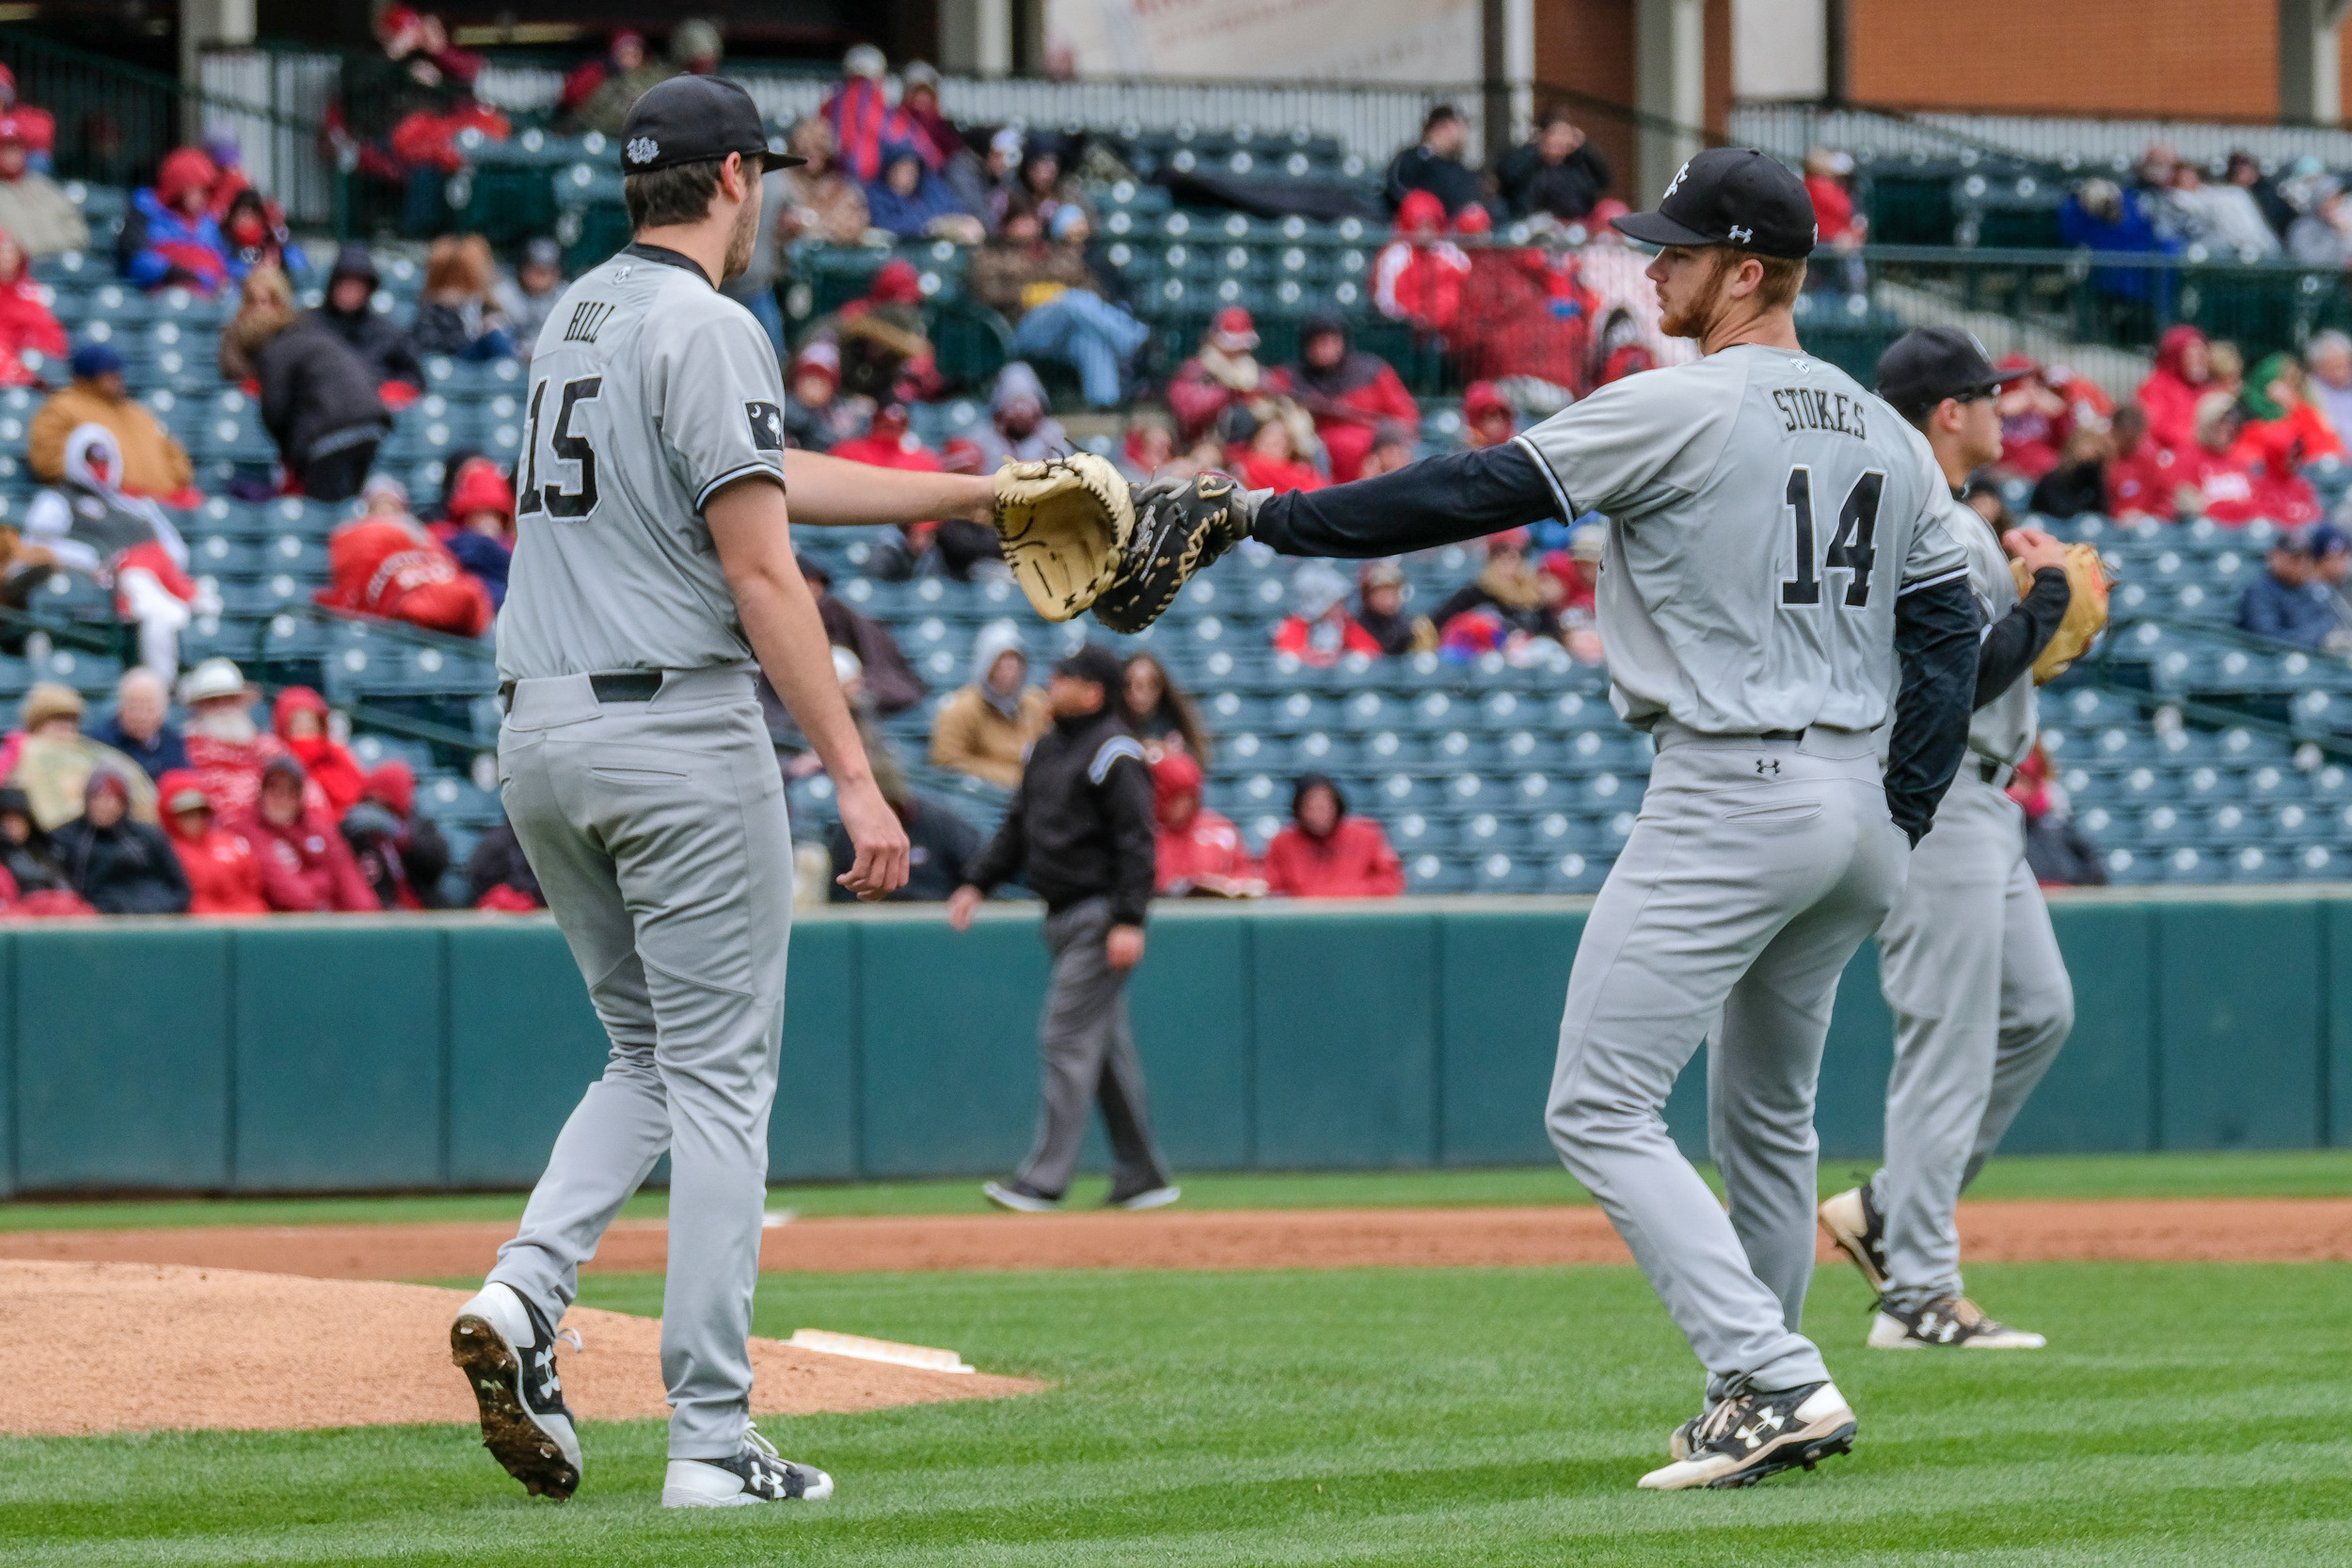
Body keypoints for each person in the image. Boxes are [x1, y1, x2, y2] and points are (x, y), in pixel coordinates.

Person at [1212, 147, 1983, 1489]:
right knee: (1772, 1126)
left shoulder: (1684, 400)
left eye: (1682, 251)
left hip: (1733, 785)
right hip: (1855, 802)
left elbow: (1471, 490)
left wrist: (1263, 513)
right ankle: (1762, 1379)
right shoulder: (1883, 425)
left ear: (1750, 270)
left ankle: (1770, 1372)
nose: (1655, 266)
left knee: (1598, 1104)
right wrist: (1901, 810)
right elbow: (1949, 633)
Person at [453, 74, 919, 1513]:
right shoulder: (712, 323)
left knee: (646, 1055)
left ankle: (524, 1294)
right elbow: (759, 561)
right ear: (732, 178)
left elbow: (763, 475)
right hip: (675, 727)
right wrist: (858, 778)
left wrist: (971, 490)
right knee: (723, 1083)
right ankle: (712, 1439)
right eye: (759, 173)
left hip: (541, 730)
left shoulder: (575, 316)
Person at [1810, 327, 2077, 1357]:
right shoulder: (1927, 513)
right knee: (1948, 1046)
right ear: (1948, 411)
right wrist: (2047, 597)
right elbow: (1964, 670)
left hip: (1982, 798)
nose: (2003, 409)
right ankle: (1916, 1291)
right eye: (1989, 394)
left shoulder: (1935, 513)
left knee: (2036, 1012)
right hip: (1939, 793)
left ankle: (1886, 1210)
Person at [947, 642, 1175, 1214]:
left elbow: (1136, 842)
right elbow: (1018, 825)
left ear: (1094, 692)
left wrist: (1129, 918)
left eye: (1066, 676)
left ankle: (1044, 1179)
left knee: (1065, 1036)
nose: (1053, 681)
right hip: (1063, 915)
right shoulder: (1049, 748)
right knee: (1103, 1051)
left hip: (1099, 915)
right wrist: (978, 881)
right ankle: (1142, 1173)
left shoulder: (1115, 752)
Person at [23, 421, 214, 675]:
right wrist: (90, 558)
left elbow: (176, 551)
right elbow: (35, 544)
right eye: (92, 461)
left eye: (104, 461)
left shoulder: (134, 505)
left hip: (159, 576)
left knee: (202, 606)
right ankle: (164, 684)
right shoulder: (57, 500)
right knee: (157, 615)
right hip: (109, 584)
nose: (100, 469)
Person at [228, 276, 391, 502]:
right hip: (372, 424)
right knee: (347, 502)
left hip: (332, 433)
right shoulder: (310, 338)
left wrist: (289, 454)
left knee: (323, 509)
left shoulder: (273, 351)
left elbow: (275, 409)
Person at [977, 207, 1149, 409]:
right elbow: (985, 292)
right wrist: (1027, 294)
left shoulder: (1051, 253)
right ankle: (1135, 339)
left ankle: (1104, 408)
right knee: (1070, 300)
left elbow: (1092, 288)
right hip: (1016, 329)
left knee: (1089, 339)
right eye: (1020, 221)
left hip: (1060, 330)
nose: (1028, 228)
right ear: (1007, 226)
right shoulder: (992, 255)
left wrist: (1055, 292)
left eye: (1031, 221)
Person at [28, 343, 197, 500]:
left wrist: (173, 482)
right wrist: (105, 484)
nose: (118, 378)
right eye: (109, 373)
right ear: (87, 377)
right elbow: (49, 462)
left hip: (164, 501)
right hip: (109, 504)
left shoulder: (137, 411)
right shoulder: (62, 407)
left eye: (117, 372)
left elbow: (174, 454)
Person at [318, 488, 494, 637]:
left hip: (437, 592)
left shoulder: (425, 537)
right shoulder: (356, 536)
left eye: (392, 507)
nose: (386, 514)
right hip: (407, 605)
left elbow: (465, 587)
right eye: (378, 506)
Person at [0, 680, 158, 831]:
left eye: (71, 722)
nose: (66, 728)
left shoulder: (93, 752)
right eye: (57, 721)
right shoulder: (25, 753)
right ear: (38, 725)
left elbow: (138, 792)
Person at [1287, 313, 1419, 484]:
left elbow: (1406, 417)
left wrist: (1386, 440)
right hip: (1321, 464)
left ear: (1343, 342)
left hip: (1377, 456)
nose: (1322, 349)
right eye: (1316, 342)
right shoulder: (1291, 378)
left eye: (1329, 341)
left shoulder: (1373, 371)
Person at [242, 754, 375, 911]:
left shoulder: (317, 827)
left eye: (291, 791)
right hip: (279, 924)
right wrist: (324, 881)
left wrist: (366, 917)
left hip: (326, 920)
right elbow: (290, 894)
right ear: (262, 792)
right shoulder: (248, 828)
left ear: (300, 797)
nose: (282, 799)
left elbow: (349, 878)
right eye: (274, 789)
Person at [930, 618, 1050, 787]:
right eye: (1001, 662)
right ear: (985, 665)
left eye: (1015, 662)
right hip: (984, 794)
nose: (1010, 670)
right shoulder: (960, 709)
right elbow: (947, 762)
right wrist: (1012, 776)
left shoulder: (1037, 704)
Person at [52, 769, 188, 913]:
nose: (103, 805)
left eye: (111, 798)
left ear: (123, 803)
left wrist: (165, 910)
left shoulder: (147, 836)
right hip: (96, 920)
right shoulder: (66, 837)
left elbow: (178, 886)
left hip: (154, 917)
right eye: (96, 798)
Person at [179, 657, 293, 822]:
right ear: (200, 708)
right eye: (213, 702)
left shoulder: (269, 747)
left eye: (230, 699)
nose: (223, 708)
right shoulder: (189, 749)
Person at [1259, 774, 1403, 897]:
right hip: (1303, 923)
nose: (1318, 814)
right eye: (1310, 808)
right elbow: (1273, 890)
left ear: (1337, 806)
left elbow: (1390, 881)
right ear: (1299, 810)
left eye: (1324, 807)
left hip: (1357, 918)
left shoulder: (1366, 835)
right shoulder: (1282, 843)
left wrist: (1348, 894)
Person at [312, 245, 426, 396]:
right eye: (344, 283)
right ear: (332, 284)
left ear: (369, 289)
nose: (350, 291)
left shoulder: (388, 333)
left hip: (371, 411)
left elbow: (414, 380)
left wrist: (388, 392)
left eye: (358, 285)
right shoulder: (306, 326)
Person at [157, 768, 268, 914]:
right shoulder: (165, 852)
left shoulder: (231, 842)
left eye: (200, 811)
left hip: (250, 919)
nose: (195, 819)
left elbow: (253, 885)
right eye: (185, 813)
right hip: (204, 928)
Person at [342, 760, 452, 909]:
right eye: (372, 799)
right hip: (378, 915)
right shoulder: (352, 829)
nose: (377, 807)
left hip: (420, 909)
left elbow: (439, 862)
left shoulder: (413, 822)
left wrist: (401, 835)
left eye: (386, 803)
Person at [120, 147, 230, 293]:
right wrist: (177, 273)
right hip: (164, 294)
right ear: (178, 186)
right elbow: (135, 259)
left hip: (209, 297)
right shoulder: (146, 210)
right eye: (196, 190)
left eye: (205, 190)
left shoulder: (209, 223)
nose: (202, 197)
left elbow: (225, 264)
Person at [1150, 750, 1258, 897]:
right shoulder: (1147, 836)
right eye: (1175, 799)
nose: (1183, 806)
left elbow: (1244, 876)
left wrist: (1227, 884)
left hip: (1215, 916)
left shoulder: (1221, 831)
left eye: (1188, 798)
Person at [1430, 529, 1562, 641]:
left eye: (1518, 554)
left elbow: (1551, 636)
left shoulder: (1533, 599)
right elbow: (1439, 625)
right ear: (1492, 558)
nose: (1511, 561)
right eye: (1502, 554)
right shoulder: (1475, 594)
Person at [1374, 189, 1470, 335]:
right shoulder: (1396, 255)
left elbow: (1467, 286)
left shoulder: (1448, 252)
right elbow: (1385, 301)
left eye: (1431, 224)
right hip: (1407, 333)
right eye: (1421, 224)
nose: (1426, 232)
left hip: (1450, 331)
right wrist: (1411, 320)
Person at [1498, 109, 1613, 224]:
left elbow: (1604, 179)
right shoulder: (1529, 161)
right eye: (1555, 134)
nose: (1560, 141)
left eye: (1565, 135)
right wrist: (1533, 148)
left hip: (1574, 226)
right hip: (1529, 225)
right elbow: (1508, 175)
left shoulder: (1578, 165)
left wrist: (1585, 148)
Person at [411, 234, 515, 361]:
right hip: (453, 364)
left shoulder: (485, 306)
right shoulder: (432, 312)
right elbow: (431, 347)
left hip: (483, 366)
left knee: (496, 334)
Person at [771, 117, 869, 248]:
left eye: (818, 152)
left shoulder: (841, 188)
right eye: (806, 153)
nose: (812, 159)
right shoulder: (786, 186)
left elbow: (853, 226)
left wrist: (816, 226)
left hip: (832, 257)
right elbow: (777, 228)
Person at [272, 686, 367, 818]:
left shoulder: (336, 752)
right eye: (298, 723)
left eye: (310, 721)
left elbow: (361, 787)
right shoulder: (282, 759)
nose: (305, 728)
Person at [864, 145, 984, 245]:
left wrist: (958, 222)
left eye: (913, 168)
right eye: (904, 169)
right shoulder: (877, 195)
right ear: (890, 171)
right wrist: (931, 226)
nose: (911, 174)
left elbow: (953, 209)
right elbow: (885, 225)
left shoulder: (929, 188)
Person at [438, 456, 516, 610]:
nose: (487, 522)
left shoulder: (513, 547)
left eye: (493, 514)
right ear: (466, 516)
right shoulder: (444, 538)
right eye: (479, 513)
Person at [1272, 560, 1381, 666]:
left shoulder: (1346, 624)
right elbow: (1289, 659)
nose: (1340, 608)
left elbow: (1372, 650)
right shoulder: (1296, 626)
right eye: (1336, 603)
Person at [0, 118, 82, 259]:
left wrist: (61, 248)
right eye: (5, 148)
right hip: (18, 270)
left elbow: (77, 232)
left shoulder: (46, 187)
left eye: (16, 147)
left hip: (59, 263)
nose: (12, 154)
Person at [1384, 103, 1483, 219]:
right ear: (1443, 126)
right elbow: (1398, 189)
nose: (1465, 132)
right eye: (1461, 126)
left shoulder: (1460, 169)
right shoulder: (1412, 159)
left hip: (1456, 232)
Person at [2238, 532, 2337, 647]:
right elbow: (2267, 639)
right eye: (2295, 558)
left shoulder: (2315, 590)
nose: (2302, 564)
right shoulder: (2259, 592)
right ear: (2275, 557)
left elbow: (2330, 623)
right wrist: (2320, 640)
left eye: (2307, 557)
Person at [966, 360, 1069, 468]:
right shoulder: (981, 437)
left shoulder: (1052, 434)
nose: (1021, 411)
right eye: (1014, 403)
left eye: (1026, 403)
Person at [92, 667, 186, 783]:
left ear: (164, 709)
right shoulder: (99, 741)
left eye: (149, 708)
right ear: (120, 707)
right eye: (133, 707)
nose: (140, 716)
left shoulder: (173, 743)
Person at [0, 784, 83, 907]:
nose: (13, 826)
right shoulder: (5, 860)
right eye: (7, 820)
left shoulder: (47, 852)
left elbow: (66, 888)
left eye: (18, 819)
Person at [0, 227, 64, 386]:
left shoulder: (34, 293)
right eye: (2, 251)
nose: (6, 257)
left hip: (32, 362)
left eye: (10, 251)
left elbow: (51, 336)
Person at [2136, 325, 2212, 457]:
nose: (2202, 359)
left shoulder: (2206, 388)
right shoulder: (2156, 386)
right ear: (2176, 355)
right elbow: (2156, 427)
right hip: (2170, 455)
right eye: (2195, 354)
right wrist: (2199, 439)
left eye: (2203, 353)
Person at [1119, 652, 1210, 762]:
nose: (1135, 694)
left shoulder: (1177, 726)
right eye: (1128, 685)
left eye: (1146, 685)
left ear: (1160, 688)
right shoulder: (1113, 725)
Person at [781, 341, 864, 452]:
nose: (814, 387)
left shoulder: (833, 412)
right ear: (796, 381)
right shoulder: (786, 407)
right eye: (809, 380)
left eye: (822, 383)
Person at [496, 238, 568, 361]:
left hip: (552, 361)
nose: (540, 276)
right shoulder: (505, 293)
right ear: (522, 268)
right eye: (534, 269)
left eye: (546, 271)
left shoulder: (567, 295)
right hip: (512, 362)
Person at [219, 186, 307, 284]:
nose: (245, 221)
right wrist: (254, 272)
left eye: (252, 215)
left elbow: (301, 273)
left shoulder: (276, 243)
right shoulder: (224, 242)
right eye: (241, 214)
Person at [2103, 404, 2175, 521]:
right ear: (2113, 431)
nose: (2128, 442)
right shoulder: (2105, 461)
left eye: (2132, 437)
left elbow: (2166, 502)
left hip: (2148, 526)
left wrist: (2147, 518)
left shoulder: (2154, 460)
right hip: (2112, 527)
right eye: (2124, 436)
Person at [1231, 406, 1325, 495]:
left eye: (1282, 437)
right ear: (1256, 439)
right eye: (1269, 434)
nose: (1275, 439)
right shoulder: (1244, 468)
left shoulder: (1302, 472)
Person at [1354, 560, 1433, 656]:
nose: (1389, 598)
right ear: (1367, 595)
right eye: (1382, 592)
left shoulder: (1414, 625)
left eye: (1394, 591)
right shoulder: (1355, 627)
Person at [467, 816, 544, 910]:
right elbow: (478, 874)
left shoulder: (540, 841)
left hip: (534, 902)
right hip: (494, 905)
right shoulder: (495, 843)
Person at [2304, 330, 2352, 440]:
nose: (2341, 372)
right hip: (2334, 454)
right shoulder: (2310, 392)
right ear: (2317, 367)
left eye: (2343, 363)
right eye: (2333, 366)